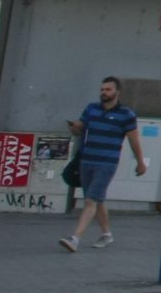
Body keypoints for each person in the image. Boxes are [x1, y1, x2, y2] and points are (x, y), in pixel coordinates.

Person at [59, 76, 145, 252]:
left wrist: (140, 162)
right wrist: (74, 127)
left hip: (106, 163)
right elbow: (80, 129)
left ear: (117, 92)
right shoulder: (91, 109)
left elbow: (134, 140)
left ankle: (75, 238)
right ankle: (107, 234)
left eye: (108, 90)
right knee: (96, 199)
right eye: (102, 90)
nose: (103, 93)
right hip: (86, 160)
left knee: (91, 201)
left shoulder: (126, 115)